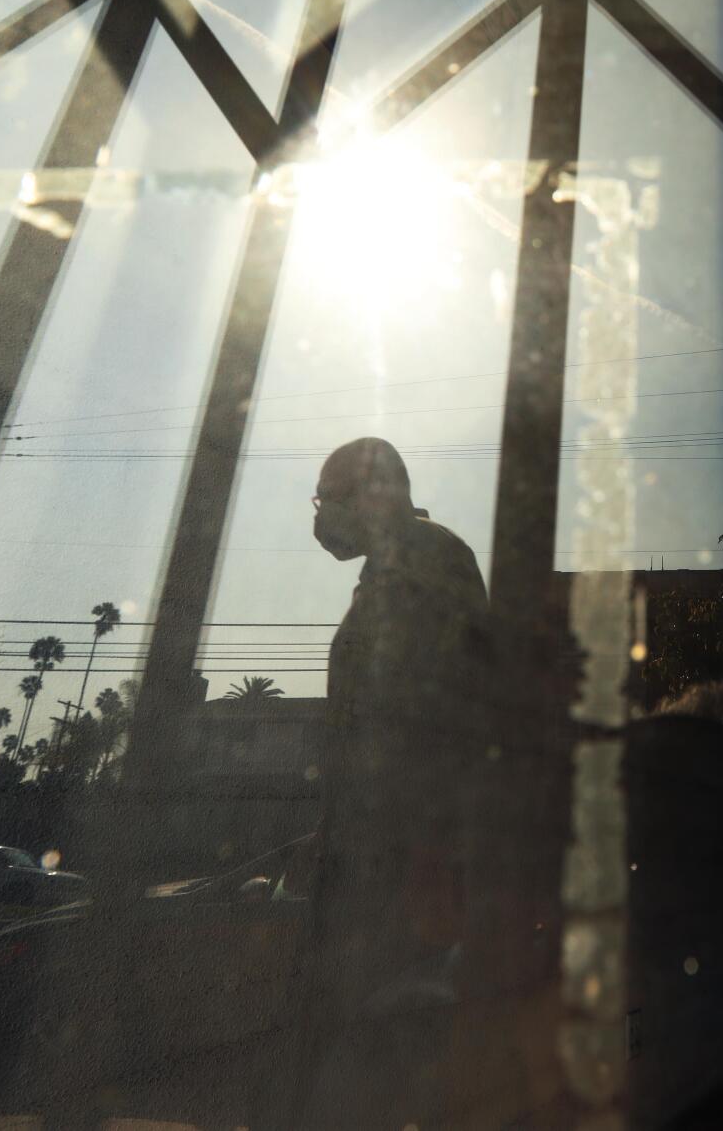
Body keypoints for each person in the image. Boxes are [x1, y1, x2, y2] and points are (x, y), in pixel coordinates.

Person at [256, 438, 489, 1128]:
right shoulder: (397, 566)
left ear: (373, 494)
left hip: (400, 874)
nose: (321, 514)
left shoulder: (424, 557)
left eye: (327, 495)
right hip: (379, 862)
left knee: (372, 1068)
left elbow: (425, 719)